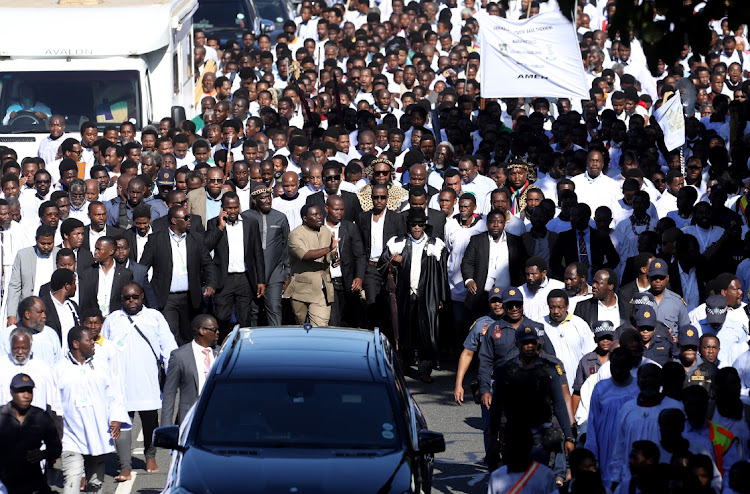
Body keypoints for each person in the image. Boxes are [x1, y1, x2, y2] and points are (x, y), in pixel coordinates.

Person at [102, 282, 177, 481]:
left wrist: (173, 375)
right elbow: (102, 349)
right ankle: (124, 466)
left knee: (150, 422)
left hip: (147, 382)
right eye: (127, 297)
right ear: (121, 299)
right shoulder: (112, 319)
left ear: (142, 296)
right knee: (122, 425)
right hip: (120, 384)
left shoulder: (155, 317)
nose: (131, 300)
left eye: (135, 296)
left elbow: (168, 347)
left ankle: (150, 456)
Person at [488, 323, 575, 472]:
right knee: (516, 481)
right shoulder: (505, 370)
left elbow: (559, 405)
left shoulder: (549, 369)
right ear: (517, 344)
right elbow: (496, 406)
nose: (529, 346)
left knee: (538, 480)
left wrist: (568, 436)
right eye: (525, 343)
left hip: (540, 439)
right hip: (514, 437)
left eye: (532, 342)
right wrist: (493, 438)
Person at [56, 325, 130, 494]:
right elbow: (53, 404)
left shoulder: (101, 365)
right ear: (76, 344)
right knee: (72, 484)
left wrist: (116, 418)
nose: (94, 343)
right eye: (89, 340)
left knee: (95, 485)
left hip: (98, 434)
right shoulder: (60, 369)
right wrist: (56, 432)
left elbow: (115, 393)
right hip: (71, 437)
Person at [378, 207, 449, 382]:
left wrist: (441, 297)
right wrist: (394, 262)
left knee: (427, 331)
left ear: (425, 226)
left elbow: (442, 273)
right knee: (404, 329)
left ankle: (425, 369)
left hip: (427, 294)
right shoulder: (397, 243)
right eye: (413, 225)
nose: (416, 228)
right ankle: (405, 363)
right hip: (404, 293)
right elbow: (382, 265)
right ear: (408, 225)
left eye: (420, 225)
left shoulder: (436, 245)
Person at [138, 206, 217, 345]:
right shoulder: (156, 240)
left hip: (190, 297)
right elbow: (142, 268)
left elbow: (208, 264)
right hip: (166, 298)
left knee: (189, 335)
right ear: (174, 220)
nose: (189, 220)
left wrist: (211, 284)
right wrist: (148, 291)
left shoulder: (196, 239)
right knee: (170, 335)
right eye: (185, 218)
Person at [609, 363, 684, 489]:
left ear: (661, 380)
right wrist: (615, 478)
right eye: (644, 377)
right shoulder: (628, 408)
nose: (648, 381)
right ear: (638, 381)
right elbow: (620, 446)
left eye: (653, 377)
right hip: (631, 480)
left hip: (663, 480)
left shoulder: (675, 407)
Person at [204, 192, 266, 337]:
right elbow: (207, 247)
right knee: (221, 316)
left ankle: (243, 347)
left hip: (244, 278)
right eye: (229, 208)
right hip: (223, 279)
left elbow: (258, 253)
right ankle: (223, 345)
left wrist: (261, 280)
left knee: (244, 318)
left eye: (235, 207)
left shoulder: (250, 223)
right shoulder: (214, 223)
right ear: (222, 208)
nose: (232, 211)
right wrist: (220, 226)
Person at [585, 347, 640, 486]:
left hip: (631, 448)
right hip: (606, 449)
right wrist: (592, 455)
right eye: (614, 367)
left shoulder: (638, 388)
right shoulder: (600, 388)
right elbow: (592, 423)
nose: (617, 371)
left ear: (629, 366)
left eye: (621, 367)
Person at [0, 373, 61, 494]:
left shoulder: (41, 417)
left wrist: (43, 454)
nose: (26, 396)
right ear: (11, 392)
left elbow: (56, 448)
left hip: (34, 483)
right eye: (21, 391)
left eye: (29, 391)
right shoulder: (1, 416)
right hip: (4, 483)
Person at [357, 183, 407, 328]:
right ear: (371, 198)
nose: (379, 200)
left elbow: (403, 242)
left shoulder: (396, 218)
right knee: (371, 304)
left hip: (390, 268)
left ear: (387, 198)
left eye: (382, 197)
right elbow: (360, 243)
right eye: (376, 197)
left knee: (389, 306)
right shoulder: (363, 217)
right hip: (371, 268)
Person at [462, 209, 527, 318]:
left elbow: (523, 264)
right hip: (481, 295)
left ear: (504, 223)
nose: (496, 225)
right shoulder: (477, 240)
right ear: (487, 223)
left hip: (507, 296)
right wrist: (469, 280)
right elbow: (467, 262)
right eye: (492, 222)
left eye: (500, 222)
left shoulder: (516, 241)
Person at [244, 183, 290, 326]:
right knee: (253, 311)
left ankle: (276, 344)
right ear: (254, 200)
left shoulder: (280, 217)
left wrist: (287, 271)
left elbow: (286, 246)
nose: (268, 201)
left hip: (274, 272)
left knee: (275, 308)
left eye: (269, 197)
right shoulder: (245, 217)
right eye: (263, 198)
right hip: (251, 273)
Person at [161, 314, 219, 426]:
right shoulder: (179, 356)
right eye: (214, 329)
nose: (217, 332)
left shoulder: (221, 351)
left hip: (217, 417)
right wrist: (166, 428)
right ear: (202, 331)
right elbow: (169, 394)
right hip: (190, 419)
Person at [284, 204, 336, 326]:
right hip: (302, 289)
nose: (319, 217)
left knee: (320, 327)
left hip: (321, 289)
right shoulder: (295, 235)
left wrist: (334, 256)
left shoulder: (326, 231)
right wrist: (329, 248)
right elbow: (305, 255)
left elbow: (331, 253)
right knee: (300, 326)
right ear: (305, 218)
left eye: (320, 214)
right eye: (314, 215)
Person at [0, 327, 61, 422]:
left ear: (31, 346)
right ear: (10, 346)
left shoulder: (43, 368)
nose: (20, 352)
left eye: (24, 348)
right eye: (16, 348)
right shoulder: (2, 366)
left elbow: (54, 403)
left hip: (36, 426)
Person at [323, 194, 365, 327]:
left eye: (342, 209)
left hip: (347, 283)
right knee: (334, 322)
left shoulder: (350, 228)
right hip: (328, 283)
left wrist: (359, 277)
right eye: (336, 209)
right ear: (326, 209)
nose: (339, 213)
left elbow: (360, 255)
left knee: (350, 322)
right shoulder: (319, 229)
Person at [6, 225, 60, 325]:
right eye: (42, 243)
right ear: (36, 240)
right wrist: (11, 315)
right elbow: (15, 287)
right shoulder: (23, 255)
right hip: (29, 311)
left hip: (53, 310)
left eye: (50, 243)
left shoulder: (59, 254)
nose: (46, 247)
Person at [551, 203, 620, 281]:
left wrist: (600, 271)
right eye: (571, 216)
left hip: (595, 280)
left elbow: (614, 259)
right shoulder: (564, 237)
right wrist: (567, 275)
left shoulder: (600, 236)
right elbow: (554, 262)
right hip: (573, 281)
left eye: (575, 216)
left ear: (586, 217)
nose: (571, 219)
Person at [542, 289, 595, 389]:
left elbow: (589, 355)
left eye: (560, 307)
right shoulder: (540, 325)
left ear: (567, 306)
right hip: (550, 384)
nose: (556, 311)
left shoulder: (580, 325)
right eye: (552, 307)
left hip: (576, 383)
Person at [77, 236, 133, 317]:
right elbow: (84, 301)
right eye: (95, 249)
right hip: (94, 321)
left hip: (116, 319)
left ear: (111, 251)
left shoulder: (125, 274)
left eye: (99, 249)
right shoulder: (87, 273)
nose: (95, 252)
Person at [0, 297, 61, 367]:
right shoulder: (6, 335)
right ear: (27, 314)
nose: (44, 316)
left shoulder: (51, 334)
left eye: (44, 312)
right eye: (40, 312)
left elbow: (58, 364)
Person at [38, 268, 80, 348]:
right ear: (67, 286)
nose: (75, 287)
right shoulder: (43, 305)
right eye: (74, 283)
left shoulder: (73, 306)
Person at [517, 257, 566, 322]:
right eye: (527, 274)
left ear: (544, 273)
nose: (530, 277)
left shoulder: (559, 287)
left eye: (533, 274)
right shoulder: (520, 291)